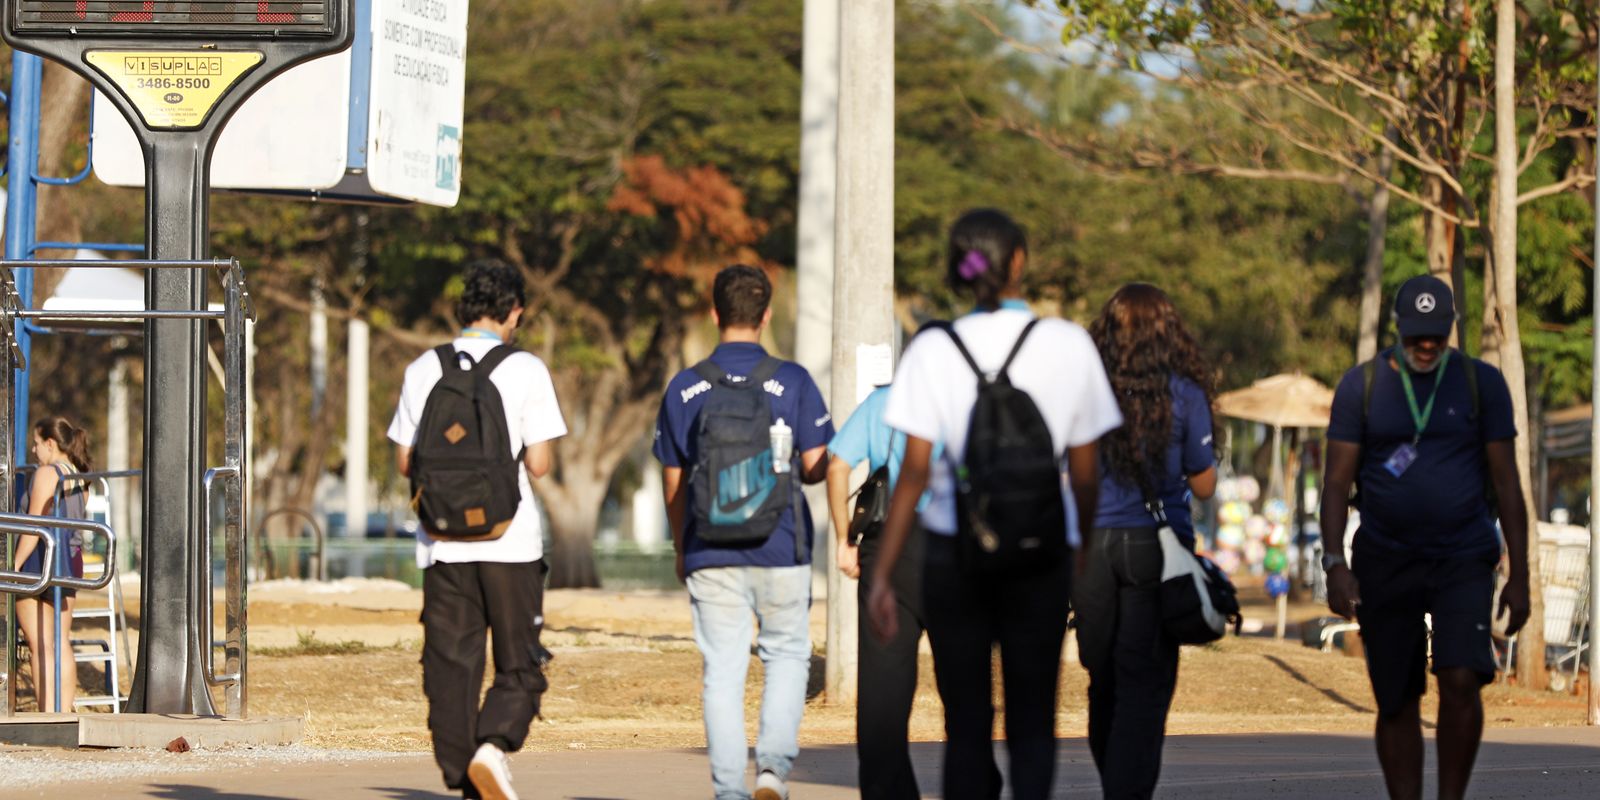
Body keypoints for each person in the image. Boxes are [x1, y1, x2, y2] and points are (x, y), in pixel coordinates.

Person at [866, 209, 1123, 799]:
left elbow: (912, 474)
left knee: (967, 725)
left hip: (953, 555)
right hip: (1041, 550)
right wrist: (1079, 545)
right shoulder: (1068, 343)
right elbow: (1086, 472)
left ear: (957, 269)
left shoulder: (933, 347)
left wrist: (883, 573)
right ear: (1018, 262)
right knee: (1033, 717)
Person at [1320, 274, 1531, 800]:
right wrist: (1333, 563)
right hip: (1386, 560)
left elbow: (1507, 482)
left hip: (1463, 556)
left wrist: (1522, 574)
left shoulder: (1482, 384)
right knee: (1396, 699)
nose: (1428, 345)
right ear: (1399, 329)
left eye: (1437, 333)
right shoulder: (1363, 386)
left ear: (1451, 328)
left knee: (1461, 678)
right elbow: (1335, 482)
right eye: (1417, 335)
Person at [388, 259, 567, 800]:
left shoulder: (424, 368)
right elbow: (537, 464)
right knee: (521, 664)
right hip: (510, 542)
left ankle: (463, 771)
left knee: (450, 667)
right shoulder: (526, 368)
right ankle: (493, 747)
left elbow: (404, 463)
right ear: (514, 312)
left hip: (442, 545)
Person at [654, 264, 833, 800]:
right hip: (782, 548)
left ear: (714, 314)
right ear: (767, 314)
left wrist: (682, 547)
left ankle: (729, 792)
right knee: (786, 657)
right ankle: (773, 772)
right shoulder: (794, 380)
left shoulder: (685, 387)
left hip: (710, 550)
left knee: (723, 674)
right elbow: (816, 463)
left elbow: (673, 477)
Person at [1077, 283, 1217, 800]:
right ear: (1168, 333)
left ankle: (1116, 780)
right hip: (1154, 548)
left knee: (1103, 676)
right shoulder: (1184, 392)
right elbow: (1202, 484)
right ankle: (1125, 790)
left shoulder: (1085, 391)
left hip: (1090, 545)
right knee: (1144, 683)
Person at [825, 383, 935, 799]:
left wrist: (843, 539)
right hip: (952, 544)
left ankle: (887, 791)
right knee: (965, 688)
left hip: (888, 544)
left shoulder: (882, 401)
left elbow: (838, 467)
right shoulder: (966, 395)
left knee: (882, 686)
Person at [12, 416, 93, 713]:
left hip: (41, 558)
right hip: (69, 559)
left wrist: (14, 565)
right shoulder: (80, 476)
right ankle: (63, 710)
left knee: (40, 644)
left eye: (36, 444)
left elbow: (34, 525)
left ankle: (47, 712)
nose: (33, 451)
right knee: (60, 642)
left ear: (50, 443)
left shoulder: (48, 473)